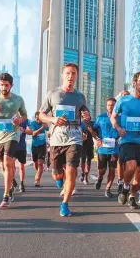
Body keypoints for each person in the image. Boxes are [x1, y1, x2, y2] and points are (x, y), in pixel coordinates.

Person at [39, 63, 91, 217]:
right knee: (56, 173)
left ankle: (65, 204)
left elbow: (85, 115)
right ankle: (61, 182)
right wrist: (53, 119)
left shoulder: (80, 96)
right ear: (63, 75)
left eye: (74, 73)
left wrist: (87, 117)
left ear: (76, 76)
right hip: (56, 139)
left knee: (71, 171)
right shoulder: (53, 94)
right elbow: (41, 115)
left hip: (74, 137)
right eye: (68, 73)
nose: (71, 76)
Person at [0, 73, 27, 208]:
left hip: (13, 134)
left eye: (6, 85)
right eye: (1, 85)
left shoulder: (18, 99)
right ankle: (11, 182)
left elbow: (24, 115)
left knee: (8, 162)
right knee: (3, 166)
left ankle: (6, 195)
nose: (4, 87)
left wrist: (19, 120)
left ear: (11, 86)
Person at [111, 71, 140, 209]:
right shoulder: (123, 100)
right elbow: (113, 117)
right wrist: (118, 128)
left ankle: (132, 196)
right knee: (131, 166)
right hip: (127, 139)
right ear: (134, 83)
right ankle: (125, 186)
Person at [91, 98, 120, 198]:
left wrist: (120, 137)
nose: (110, 107)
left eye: (112, 105)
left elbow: (125, 130)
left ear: (116, 106)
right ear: (106, 106)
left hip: (115, 148)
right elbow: (93, 130)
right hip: (102, 148)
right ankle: (100, 177)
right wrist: (97, 139)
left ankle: (108, 189)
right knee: (102, 170)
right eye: (108, 105)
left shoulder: (120, 118)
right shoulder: (100, 117)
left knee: (112, 169)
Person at [115, 90, 131, 194]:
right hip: (119, 140)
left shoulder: (131, 110)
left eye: (127, 96)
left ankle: (126, 182)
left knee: (130, 163)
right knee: (120, 162)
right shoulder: (116, 112)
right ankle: (121, 181)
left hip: (131, 139)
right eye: (123, 95)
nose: (125, 97)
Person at [13, 119, 32, 192]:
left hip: (22, 147)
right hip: (12, 147)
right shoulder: (11, 117)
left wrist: (23, 130)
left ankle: (22, 183)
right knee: (11, 166)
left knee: (21, 166)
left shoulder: (26, 121)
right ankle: (12, 180)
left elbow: (31, 132)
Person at [30, 112, 49, 187]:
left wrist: (47, 128)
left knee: (40, 163)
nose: (38, 120)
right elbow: (34, 133)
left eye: (39, 118)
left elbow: (48, 130)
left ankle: (37, 180)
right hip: (34, 145)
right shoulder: (33, 123)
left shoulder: (44, 123)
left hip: (42, 145)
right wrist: (42, 128)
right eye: (37, 118)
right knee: (36, 163)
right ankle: (38, 172)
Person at [79, 121, 94, 185]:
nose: (85, 114)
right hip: (82, 144)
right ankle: (82, 173)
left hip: (90, 144)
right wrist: (82, 133)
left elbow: (95, 134)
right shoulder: (80, 123)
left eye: (86, 113)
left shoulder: (93, 123)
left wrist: (91, 131)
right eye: (83, 113)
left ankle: (86, 177)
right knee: (82, 160)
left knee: (89, 161)